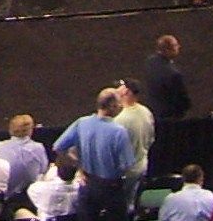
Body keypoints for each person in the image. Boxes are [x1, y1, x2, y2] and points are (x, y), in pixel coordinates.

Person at [55, 91, 137, 221]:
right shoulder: (118, 132)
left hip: (87, 183)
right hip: (111, 188)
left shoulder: (82, 123)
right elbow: (127, 165)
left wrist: (79, 166)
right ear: (113, 106)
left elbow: (59, 147)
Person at [144, 35, 192, 120]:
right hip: (169, 118)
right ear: (167, 49)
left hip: (152, 112)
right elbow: (183, 101)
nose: (178, 47)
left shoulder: (150, 62)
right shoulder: (173, 74)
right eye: (175, 45)